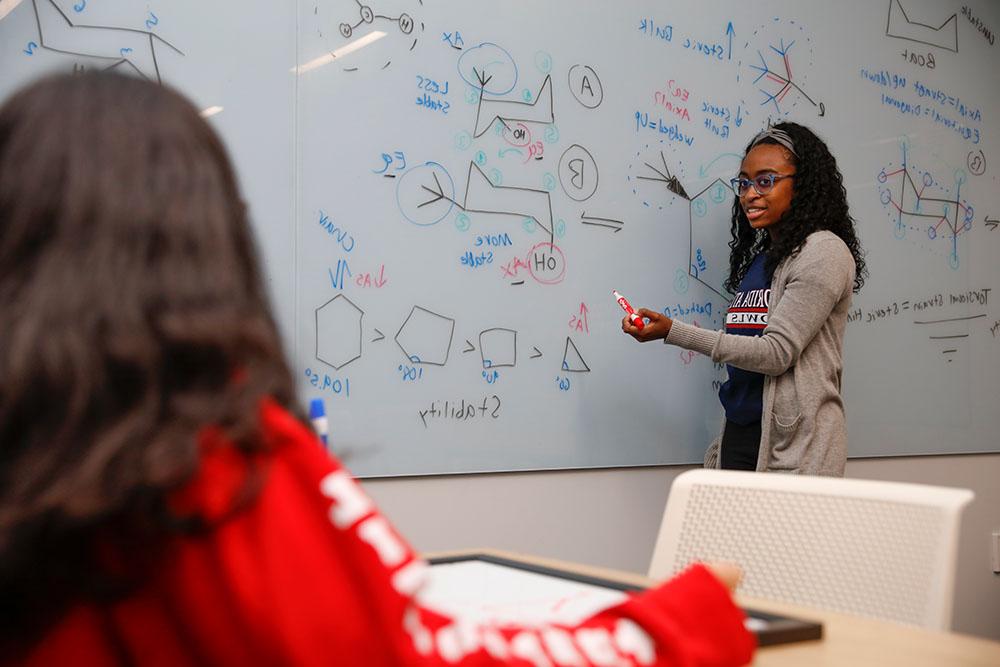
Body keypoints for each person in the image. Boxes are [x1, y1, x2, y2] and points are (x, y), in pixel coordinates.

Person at [0, 72, 755, 665]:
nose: (752, 194)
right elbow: (404, 653)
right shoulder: (206, 452)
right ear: (200, 237)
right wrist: (673, 629)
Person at [623, 122, 866, 476]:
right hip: (742, 436)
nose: (750, 193)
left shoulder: (823, 253)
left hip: (796, 450)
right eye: (744, 182)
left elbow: (775, 353)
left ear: (803, 184)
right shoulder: (765, 258)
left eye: (766, 180)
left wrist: (673, 332)